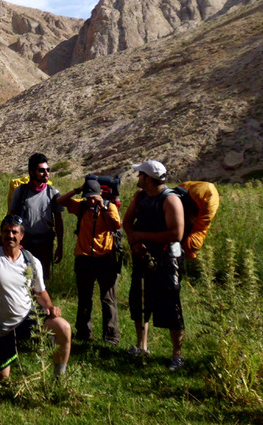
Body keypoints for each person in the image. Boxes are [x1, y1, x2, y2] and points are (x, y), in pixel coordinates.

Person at [0, 215, 71, 380]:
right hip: (1, 329)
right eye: (6, 231)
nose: (10, 236)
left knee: (63, 327)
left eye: (14, 232)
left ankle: (59, 379)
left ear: (22, 236)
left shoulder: (30, 261)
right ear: (1, 234)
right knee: (1, 380)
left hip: (27, 320)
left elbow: (40, 292)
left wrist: (50, 307)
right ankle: (1, 360)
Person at [123, 160, 186, 371]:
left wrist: (141, 235)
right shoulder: (139, 197)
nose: (137, 178)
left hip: (167, 260)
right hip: (142, 257)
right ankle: (142, 346)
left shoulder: (171, 200)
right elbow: (128, 221)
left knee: (171, 303)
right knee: (140, 300)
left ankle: (177, 355)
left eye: (140, 175)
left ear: (148, 179)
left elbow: (176, 234)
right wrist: (134, 241)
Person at [58, 179, 121, 344]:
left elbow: (116, 224)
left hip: (105, 259)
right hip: (84, 259)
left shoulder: (110, 207)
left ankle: (111, 337)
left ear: (100, 194)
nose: (90, 201)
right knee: (84, 298)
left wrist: (103, 207)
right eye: (88, 197)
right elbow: (60, 201)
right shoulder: (82, 206)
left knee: (108, 299)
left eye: (93, 197)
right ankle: (84, 333)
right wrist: (77, 189)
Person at [9, 153, 64, 286]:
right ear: (32, 172)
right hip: (25, 242)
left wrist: (60, 246)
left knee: (42, 280)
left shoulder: (53, 192)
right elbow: (12, 218)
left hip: (45, 242)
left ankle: (41, 306)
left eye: (47, 170)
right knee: (23, 278)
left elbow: (59, 221)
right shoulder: (20, 192)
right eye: (42, 170)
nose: (46, 173)